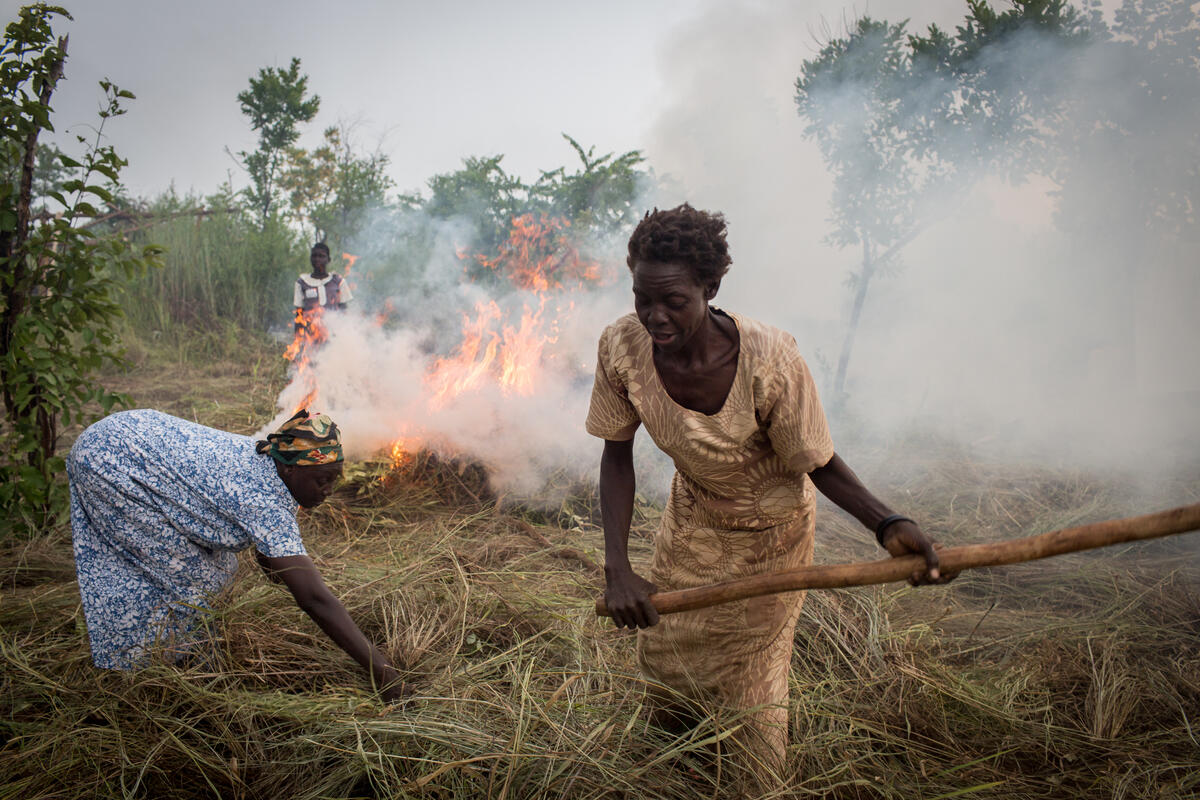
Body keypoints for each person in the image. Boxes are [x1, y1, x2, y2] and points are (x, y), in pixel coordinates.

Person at [587, 203, 950, 785]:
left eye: (673, 301)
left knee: (751, 686)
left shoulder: (769, 359)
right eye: (642, 298)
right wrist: (618, 569)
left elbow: (818, 463)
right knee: (668, 663)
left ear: (710, 288)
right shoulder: (621, 347)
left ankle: (754, 784)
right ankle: (671, 778)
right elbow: (616, 456)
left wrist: (888, 524)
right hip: (691, 527)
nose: (655, 316)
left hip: (772, 541)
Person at [68, 408, 404, 701]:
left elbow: (270, 551)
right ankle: (157, 672)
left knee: (221, 570)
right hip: (110, 460)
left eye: (334, 479)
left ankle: (181, 652)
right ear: (291, 469)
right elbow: (313, 599)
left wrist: (278, 565)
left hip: (132, 436)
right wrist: (381, 670)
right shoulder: (263, 499)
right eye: (321, 480)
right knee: (192, 580)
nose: (328, 490)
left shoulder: (272, 464)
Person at [294, 241, 352, 330]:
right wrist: (298, 335)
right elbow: (299, 313)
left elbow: (343, 311)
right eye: (314, 256)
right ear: (310, 259)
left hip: (334, 331)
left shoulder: (338, 281)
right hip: (310, 332)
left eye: (321, 256)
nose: (317, 259)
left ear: (328, 259)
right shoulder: (301, 283)